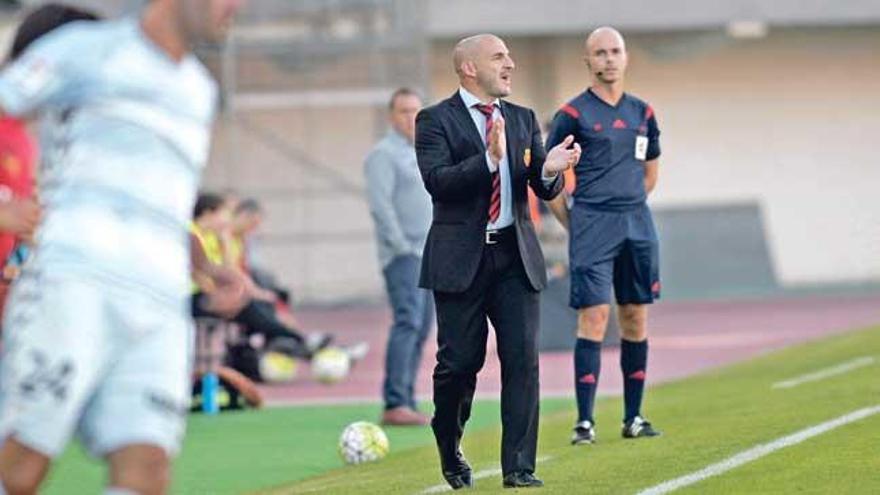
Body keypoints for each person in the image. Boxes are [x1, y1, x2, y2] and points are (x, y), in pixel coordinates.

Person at [0, 1, 245, 494]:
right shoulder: (85, 51)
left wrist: (207, 267)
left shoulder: (198, 90)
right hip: (73, 283)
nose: (235, 7)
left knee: (147, 469)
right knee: (21, 464)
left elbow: (167, 203)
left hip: (157, 305)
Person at [416, 34, 580, 489]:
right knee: (459, 365)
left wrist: (551, 170)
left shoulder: (524, 118)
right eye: (499, 57)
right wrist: (487, 161)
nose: (510, 64)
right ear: (469, 68)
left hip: (514, 255)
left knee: (522, 361)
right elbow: (438, 183)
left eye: (509, 56)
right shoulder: (434, 121)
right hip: (460, 259)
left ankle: (520, 467)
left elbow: (541, 186)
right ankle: (448, 442)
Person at [545, 26, 663, 446]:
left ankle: (633, 417)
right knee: (594, 316)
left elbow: (650, 170)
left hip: (636, 223)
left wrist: (628, 203)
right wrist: (574, 222)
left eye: (615, 51)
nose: (609, 59)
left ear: (626, 57)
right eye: (600, 53)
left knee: (634, 316)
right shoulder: (572, 115)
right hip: (591, 225)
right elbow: (549, 176)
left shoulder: (643, 113)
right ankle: (585, 422)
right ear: (588, 62)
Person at [364, 88, 433, 426]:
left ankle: (406, 396)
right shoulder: (383, 155)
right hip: (403, 256)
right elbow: (381, 206)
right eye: (404, 111)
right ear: (392, 116)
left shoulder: (424, 152)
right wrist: (402, 246)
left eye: (416, 111)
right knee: (408, 321)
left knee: (422, 328)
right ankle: (394, 401)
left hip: (430, 253)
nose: (411, 117)